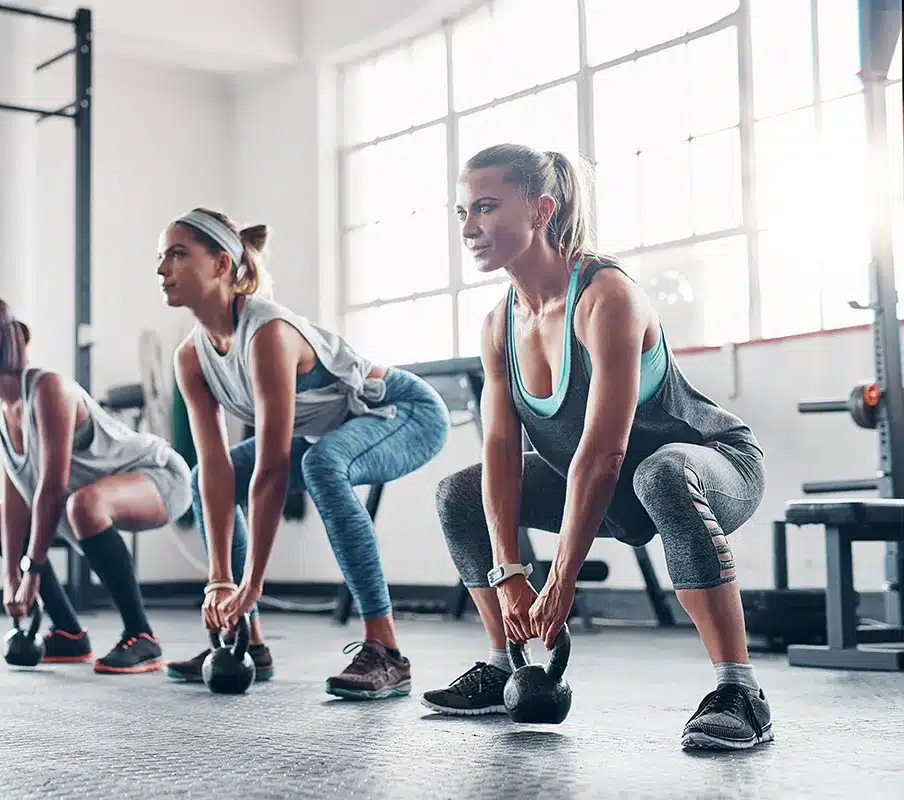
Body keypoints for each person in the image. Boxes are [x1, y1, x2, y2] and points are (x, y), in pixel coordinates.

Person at [420, 144, 772, 751]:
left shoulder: (606, 297)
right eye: (461, 212)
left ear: (541, 209)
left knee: (659, 473)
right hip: (613, 488)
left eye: (485, 207)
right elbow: (502, 450)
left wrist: (561, 581)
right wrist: (510, 575)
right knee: (459, 493)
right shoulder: (497, 325)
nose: (470, 228)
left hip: (709, 465)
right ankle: (506, 665)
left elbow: (603, 452)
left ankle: (740, 692)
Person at [155, 208, 450, 699]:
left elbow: (271, 471)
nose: (162, 268)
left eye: (178, 254)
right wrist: (220, 582)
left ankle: (387, 651)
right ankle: (245, 640)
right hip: (336, 429)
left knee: (321, 464)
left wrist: (252, 584)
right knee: (197, 477)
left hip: (405, 412)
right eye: (160, 257)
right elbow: (216, 469)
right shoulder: (191, 357)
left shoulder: (268, 333)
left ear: (222, 264)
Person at [0, 294, 193, 674]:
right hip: (88, 496)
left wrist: (31, 570)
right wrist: (11, 576)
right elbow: (17, 497)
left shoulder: (48, 389)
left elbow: (50, 486)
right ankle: (68, 634)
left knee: (83, 503)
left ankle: (141, 636)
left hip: (160, 479)